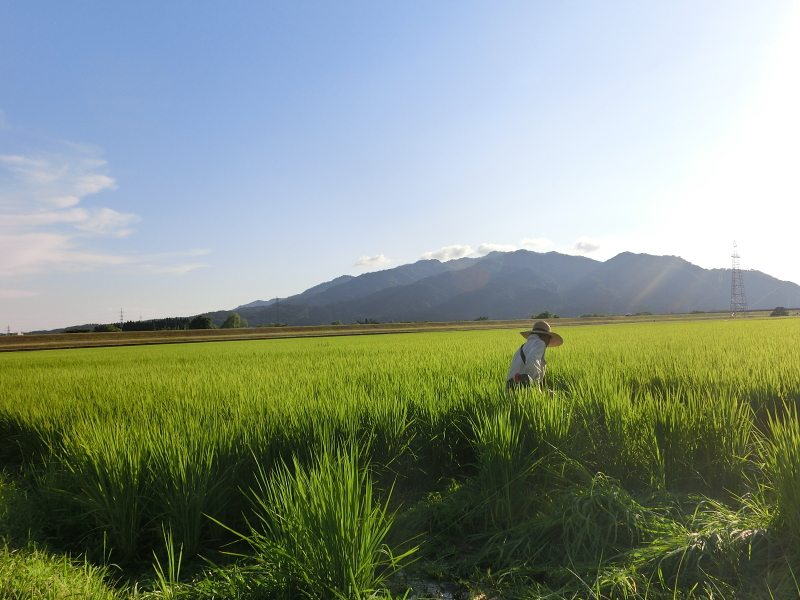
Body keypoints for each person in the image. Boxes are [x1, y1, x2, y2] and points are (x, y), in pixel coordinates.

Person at [506, 320, 563, 390]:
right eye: (549, 338)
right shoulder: (540, 343)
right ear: (546, 337)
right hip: (525, 389)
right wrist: (534, 383)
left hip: (512, 388)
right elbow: (532, 359)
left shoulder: (524, 347)